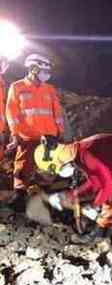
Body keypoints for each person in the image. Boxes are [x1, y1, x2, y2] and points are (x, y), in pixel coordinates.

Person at [34, 134, 112, 246]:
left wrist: (94, 205)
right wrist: (70, 196)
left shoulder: (85, 154)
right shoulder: (79, 153)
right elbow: (94, 183)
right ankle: (100, 234)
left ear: (54, 162)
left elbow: (107, 186)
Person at [5, 53, 64, 207]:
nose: (47, 74)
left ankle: (43, 196)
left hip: (49, 135)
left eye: (48, 71)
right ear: (33, 68)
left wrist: (59, 132)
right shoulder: (17, 87)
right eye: (43, 70)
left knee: (48, 166)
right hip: (27, 135)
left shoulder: (50, 89)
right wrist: (15, 133)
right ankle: (19, 194)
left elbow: (57, 112)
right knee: (24, 164)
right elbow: (12, 112)